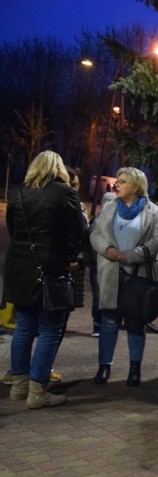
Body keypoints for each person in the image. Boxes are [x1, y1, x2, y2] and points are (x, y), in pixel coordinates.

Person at [2, 150, 86, 408]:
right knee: (50, 328)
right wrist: (70, 256)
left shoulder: (17, 193)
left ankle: (19, 386)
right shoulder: (66, 193)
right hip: (50, 267)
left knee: (25, 326)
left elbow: (14, 229)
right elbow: (77, 232)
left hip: (19, 266)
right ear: (58, 168)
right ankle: (38, 391)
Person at [89, 167, 158, 387]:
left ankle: (135, 369)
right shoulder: (110, 206)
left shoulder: (152, 211)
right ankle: (104, 367)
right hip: (111, 272)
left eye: (122, 181)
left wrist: (134, 255)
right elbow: (95, 232)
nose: (116, 185)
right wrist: (107, 249)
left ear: (135, 185)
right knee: (109, 322)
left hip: (138, 275)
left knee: (135, 324)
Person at [49, 166, 91, 384]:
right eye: (71, 184)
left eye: (76, 185)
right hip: (62, 267)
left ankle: (45, 365)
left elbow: (85, 235)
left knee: (63, 318)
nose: (74, 188)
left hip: (74, 268)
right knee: (52, 322)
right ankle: (41, 367)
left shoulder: (79, 206)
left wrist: (82, 259)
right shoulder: (60, 204)